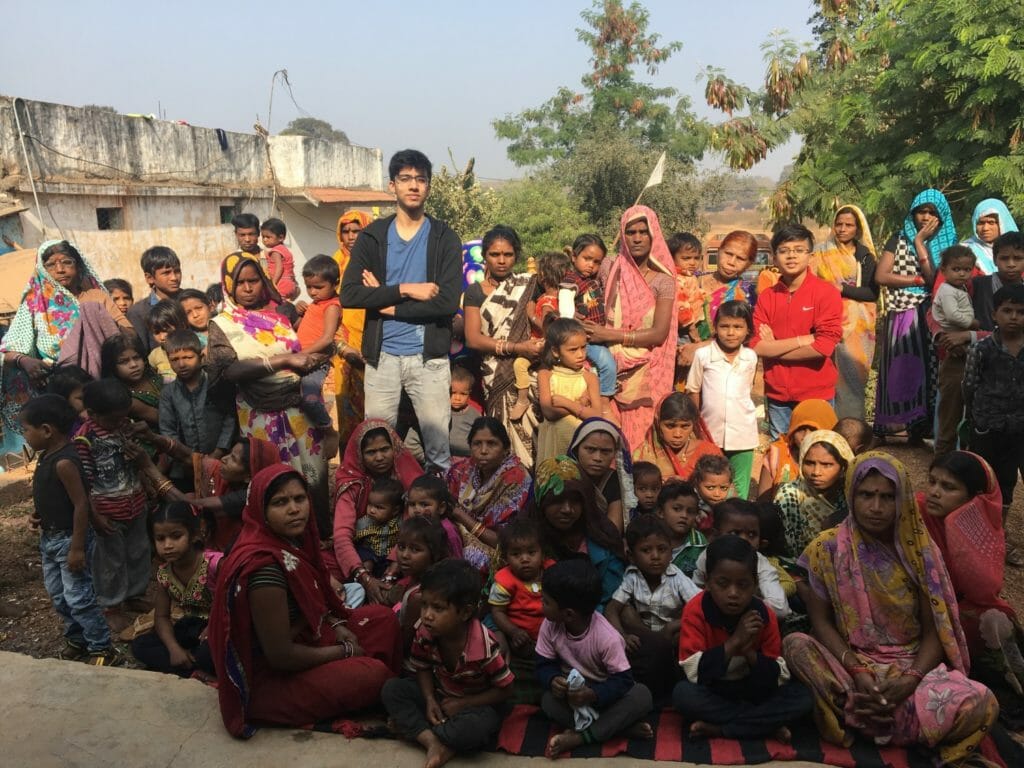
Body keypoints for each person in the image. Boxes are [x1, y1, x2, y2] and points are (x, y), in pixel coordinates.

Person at [783, 452, 999, 765]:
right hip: (850, 665)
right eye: (866, 495)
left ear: (902, 500)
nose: (876, 507)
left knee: (983, 702)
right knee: (795, 646)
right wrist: (857, 672)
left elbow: (935, 632)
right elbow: (821, 624)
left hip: (911, 668)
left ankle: (865, 716)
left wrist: (909, 680)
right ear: (851, 494)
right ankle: (883, 715)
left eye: (887, 497)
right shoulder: (825, 548)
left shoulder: (920, 552)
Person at [208, 464, 400, 738]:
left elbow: (315, 604)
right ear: (260, 510)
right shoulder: (265, 568)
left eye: (299, 499)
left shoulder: (293, 543)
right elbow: (280, 656)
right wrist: (344, 651)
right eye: (280, 502)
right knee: (373, 674)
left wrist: (335, 624)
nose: (294, 509)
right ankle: (366, 688)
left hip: (307, 638)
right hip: (272, 679)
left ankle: (361, 690)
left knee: (383, 619)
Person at [340, 149, 463, 474]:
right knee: (377, 451)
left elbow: (448, 302)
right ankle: (379, 520)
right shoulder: (373, 237)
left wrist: (389, 304)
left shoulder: (444, 237)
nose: (413, 186)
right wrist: (408, 289)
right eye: (406, 179)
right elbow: (350, 294)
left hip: (430, 359)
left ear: (429, 187)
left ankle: (441, 522)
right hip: (383, 357)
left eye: (420, 180)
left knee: (438, 453)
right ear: (392, 185)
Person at [206, 253, 330, 528]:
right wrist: (283, 361)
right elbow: (229, 370)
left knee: (313, 478)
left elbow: (303, 349)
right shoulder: (223, 324)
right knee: (270, 482)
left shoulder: (280, 316)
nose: (248, 288)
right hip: (258, 414)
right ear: (228, 285)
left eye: (254, 280)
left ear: (264, 281)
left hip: (299, 410)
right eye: (240, 282)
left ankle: (317, 541)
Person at [673, 536, 812, 741]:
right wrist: (735, 641)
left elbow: (778, 676)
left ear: (755, 585)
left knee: (803, 698)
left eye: (743, 585)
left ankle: (722, 729)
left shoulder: (764, 614)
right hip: (715, 688)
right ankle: (764, 725)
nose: (733, 593)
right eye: (723, 583)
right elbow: (694, 673)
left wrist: (749, 653)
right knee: (683, 695)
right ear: (708, 583)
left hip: (752, 688)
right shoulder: (696, 610)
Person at [0, 240, 133, 453]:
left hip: (104, 384)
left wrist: (96, 319)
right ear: (42, 269)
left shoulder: (96, 297)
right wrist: (26, 361)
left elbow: (128, 334)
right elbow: (7, 350)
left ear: (78, 266)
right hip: (60, 389)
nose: (60, 269)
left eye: (66, 262)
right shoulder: (35, 304)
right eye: (51, 264)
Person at [383, 559, 513, 768]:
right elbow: (422, 666)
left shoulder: (485, 646)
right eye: (424, 604)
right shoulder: (425, 632)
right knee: (392, 689)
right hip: (441, 696)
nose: (427, 615)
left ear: (465, 612)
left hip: (476, 704)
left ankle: (417, 731)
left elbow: (506, 691)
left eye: (438, 608)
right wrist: (429, 698)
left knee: (475, 728)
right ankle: (432, 741)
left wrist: (464, 704)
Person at [21, 394, 119, 665]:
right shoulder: (45, 457)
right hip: (49, 538)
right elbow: (55, 495)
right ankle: (77, 638)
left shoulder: (64, 462)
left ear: (46, 430)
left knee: (79, 597)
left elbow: (80, 503)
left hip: (68, 540)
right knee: (58, 594)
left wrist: (77, 548)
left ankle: (102, 647)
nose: (25, 435)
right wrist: (39, 514)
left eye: (26, 429)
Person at [535, 558, 654, 757]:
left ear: (569, 614)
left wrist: (593, 694)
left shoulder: (607, 638)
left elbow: (623, 681)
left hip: (605, 696)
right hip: (573, 700)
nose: (541, 606)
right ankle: (618, 728)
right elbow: (543, 664)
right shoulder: (549, 625)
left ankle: (580, 738)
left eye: (546, 602)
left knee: (642, 695)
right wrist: (552, 679)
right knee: (547, 700)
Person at [585, 205, 677, 450]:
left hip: (647, 374)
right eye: (630, 232)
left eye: (643, 232)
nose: (636, 238)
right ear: (622, 235)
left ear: (654, 234)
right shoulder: (610, 268)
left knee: (639, 448)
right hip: (607, 371)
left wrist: (609, 334)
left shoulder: (664, 281)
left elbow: (659, 333)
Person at [874, 189, 956, 439]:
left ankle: (922, 427)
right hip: (902, 312)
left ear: (941, 216)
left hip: (933, 313)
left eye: (932, 212)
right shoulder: (898, 239)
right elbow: (881, 275)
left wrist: (920, 244)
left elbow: (935, 281)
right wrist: (917, 278)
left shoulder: (949, 242)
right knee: (900, 368)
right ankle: (892, 425)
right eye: (922, 211)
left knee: (929, 370)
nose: (926, 217)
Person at [751, 224, 843, 438]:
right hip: (777, 394)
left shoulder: (825, 293)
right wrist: (803, 339)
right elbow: (757, 346)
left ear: (810, 256)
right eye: (784, 251)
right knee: (780, 457)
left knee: (818, 453)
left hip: (816, 393)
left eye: (799, 250)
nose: (791, 256)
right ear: (774, 258)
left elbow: (823, 348)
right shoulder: (767, 297)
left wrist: (774, 346)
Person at [462, 225, 544, 467]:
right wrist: (517, 348)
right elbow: (473, 339)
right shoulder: (475, 292)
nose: (501, 261)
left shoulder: (528, 285)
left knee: (535, 438)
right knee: (503, 441)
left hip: (529, 371)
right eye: (494, 255)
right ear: (485, 256)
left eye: (508, 255)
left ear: (516, 256)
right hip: (495, 374)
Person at [73, 380, 150, 616]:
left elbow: (137, 461)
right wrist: (94, 516)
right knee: (110, 561)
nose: (119, 422)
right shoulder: (85, 439)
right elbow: (83, 482)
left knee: (139, 551)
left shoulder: (125, 426)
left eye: (123, 417)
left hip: (135, 501)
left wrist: (147, 486)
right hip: (106, 510)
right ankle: (111, 605)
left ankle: (134, 595)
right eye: (113, 419)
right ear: (93, 414)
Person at [606, 515, 699, 700]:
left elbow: (701, 607)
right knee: (625, 612)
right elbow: (611, 609)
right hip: (646, 638)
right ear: (631, 556)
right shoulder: (632, 577)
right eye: (646, 550)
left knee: (683, 632)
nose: (655, 556)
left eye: (662, 549)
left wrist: (675, 625)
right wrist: (622, 637)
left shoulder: (676, 578)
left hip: (672, 638)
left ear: (671, 552)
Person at [964, 283, 1024, 563]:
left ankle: (998, 537)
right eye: (1007, 311)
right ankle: (974, 538)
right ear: (995, 313)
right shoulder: (982, 349)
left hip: (1018, 428)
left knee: (1008, 483)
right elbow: (970, 385)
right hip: (986, 426)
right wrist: (974, 420)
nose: (1014, 317)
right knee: (982, 480)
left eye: (1020, 312)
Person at [332, 419, 423, 603]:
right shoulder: (352, 484)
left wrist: (393, 569)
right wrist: (365, 578)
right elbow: (341, 535)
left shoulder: (408, 478)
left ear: (394, 448)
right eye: (371, 452)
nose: (379, 457)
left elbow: (417, 526)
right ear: (359, 455)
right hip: (362, 555)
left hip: (402, 554)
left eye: (384, 449)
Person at [131, 502, 218, 677]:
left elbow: (233, 606)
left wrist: (213, 628)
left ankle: (192, 667)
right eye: (160, 539)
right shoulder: (164, 573)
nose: (168, 545)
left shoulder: (215, 565)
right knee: (140, 645)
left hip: (218, 627)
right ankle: (194, 668)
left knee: (210, 653)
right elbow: (161, 616)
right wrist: (173, 648)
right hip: (191, 627)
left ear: (193, 535)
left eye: (176, 536)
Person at [810, 205, 879, 420]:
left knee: (852, 378)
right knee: (825, 375)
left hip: (858, 327)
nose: (842, 229)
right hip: (825, 319)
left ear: (857, 229)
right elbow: (811, 283)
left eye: (848, 225)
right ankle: (826, 423)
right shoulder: (821, 252)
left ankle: (852, 428)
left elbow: (872, 293)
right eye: (838, 224)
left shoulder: (865, 255)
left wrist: (843, 290)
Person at [532, 456, 626, 612]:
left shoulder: (603, 536)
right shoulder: (524, 539)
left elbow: (611, 596)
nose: (567, 509)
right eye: (557, 501)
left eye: (575, 501)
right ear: (542, 502)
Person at [686, 299, 758, 498]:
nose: (731, 332)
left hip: (743, 432)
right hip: (710, 431)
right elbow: (693, 389)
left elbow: (748, 388)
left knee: (739, 487)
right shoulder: (703, 355)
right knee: (708, 483)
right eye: (725, 326)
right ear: (715, 328)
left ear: (748, 330)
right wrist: (696, 426)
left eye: (738, 327)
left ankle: (736, 523)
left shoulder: (750, 357)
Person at [444, 417, 532, 574]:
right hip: (458, 537)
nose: (483, 450)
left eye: (492, 443)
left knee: (470, 558)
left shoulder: (516, 478)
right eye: (477, 444)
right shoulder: (460, 470)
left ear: (506, 448)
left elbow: (505, 541)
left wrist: (462, 516)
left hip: (503, 550)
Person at [158, 330, 237, 487]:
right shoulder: (168, 393)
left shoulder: (216, 383)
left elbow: (230, 417)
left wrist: (218, 452)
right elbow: (168, 431)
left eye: (188, 357)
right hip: (185, 466)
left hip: (221, 459)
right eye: (174, 359)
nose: (181, 364)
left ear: (201, 357)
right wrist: (187, 459)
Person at [693, 499, 790, 619]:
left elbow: (780, 608)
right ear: (715, 535)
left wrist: (741, 605)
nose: (744, 540)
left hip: (750, 622)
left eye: (752, 535)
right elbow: (693, 595)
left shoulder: (760, 564)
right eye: (734, 533)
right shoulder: (706, 557)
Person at [678, 230, 758, 370]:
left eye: (740, 259)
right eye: (728, 254)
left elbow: (743, 337)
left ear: (749, 264)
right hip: (679, 361)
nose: (731, 262)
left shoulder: (747, 293)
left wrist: (698, 348)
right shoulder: (691, 279)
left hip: (719, 370)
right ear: (719, 251)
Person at [774, 430, 854, 556]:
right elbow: (785, 549)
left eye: (826, 465)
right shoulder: (790, 496)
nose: (816, 472)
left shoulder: (851, 496)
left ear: (843, 467)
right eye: (809, 463)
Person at [330, 209, 372, 447]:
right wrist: (343, 347)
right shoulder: (334, 264)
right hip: (345, 350)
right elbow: (327, 306)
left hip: (376, 347)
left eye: (357, 230)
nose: (351, 236)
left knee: (378, 414)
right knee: (348, 412)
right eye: (345, 231)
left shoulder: (379, 262)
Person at [932, 245, 979, 453]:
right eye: (957, 269)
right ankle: (942, 465)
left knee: (969, 416)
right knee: (950, 415)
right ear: (944, 270)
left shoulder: (961, 288)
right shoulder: (947, 290)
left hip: (969, 349)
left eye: (967, 270)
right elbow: (950, 316)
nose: (962, 274)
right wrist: (972, 324)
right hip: (954, 354)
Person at [563, 233, 618, 413]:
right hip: (584, 338)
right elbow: (565, 309)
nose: (591, 265)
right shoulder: (571, 281)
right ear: (574, 257)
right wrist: (573, 322)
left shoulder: (590, 281)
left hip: (596, 336)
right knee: (608, 364)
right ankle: (604, 399)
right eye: (587, 259)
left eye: (596, 262)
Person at [509, 250, 567, 421]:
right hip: (554, 345)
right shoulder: (563, 297)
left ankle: (522, 399)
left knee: (519, 364)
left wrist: (531, 315)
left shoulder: (547, 300)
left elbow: (547, 326)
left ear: (542, 276)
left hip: (541, 343)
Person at [295, 254, 342, 458]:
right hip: (301, 359)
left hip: (315, 362)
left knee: (310, 399)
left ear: (335, 284)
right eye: (309, 287)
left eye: (318, 287)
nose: (313, 292)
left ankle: (329, 431)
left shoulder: (331, 306)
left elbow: (326, 339)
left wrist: (299, 354)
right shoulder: (316, 303)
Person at [537, 318, 601, 464]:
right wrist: (580, 404)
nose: (580, 354)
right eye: (573, 350)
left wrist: (566, 403)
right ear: (555, 351)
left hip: (581, 445)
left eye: (583, 347)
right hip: (553, 446)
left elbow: (597, 415)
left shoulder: (590, 378)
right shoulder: (546, 375)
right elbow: (549, 412)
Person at [488, 519, 553, 656]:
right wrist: (513, 631)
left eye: (531, 552)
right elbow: (497, 612)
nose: (524, 559)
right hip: (522, 638)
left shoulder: (552, 571)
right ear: (506, 558)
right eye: (516, 554)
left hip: (553, 634)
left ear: (542, 554)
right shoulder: (504, 582)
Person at [757, 399, 838, 501]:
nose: (806, 436)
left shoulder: (838, 460)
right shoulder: (777, 455)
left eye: (814, 430)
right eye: (801, 429)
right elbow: (762, 503)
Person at [634, 392, 723, 485]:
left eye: (685, 426)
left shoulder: (709, 453)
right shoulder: (644, 455)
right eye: (670, 426)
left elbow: (725, 491)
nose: (677, 434)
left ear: (694, 424)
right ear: (658, 423)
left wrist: (688, 485)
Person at [569, 417, 636, 535]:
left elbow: (613, 530)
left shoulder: (616, 481)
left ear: (615, 453)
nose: (597, 458)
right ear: (576, 449)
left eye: (605, 451)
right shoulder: (565, 478)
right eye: (590, 449)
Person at [391, 516, 449, 649]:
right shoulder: (411, 578)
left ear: (434, 554)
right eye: (401, 547)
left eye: (415, 549)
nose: (405, 555)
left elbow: (404, 644)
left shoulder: (419, 596)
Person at [100, 328, 162, 429]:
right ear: (112, 366)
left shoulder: (153, 377)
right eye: (124, 362)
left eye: (136, 358)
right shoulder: (127, 399)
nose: (133, 365)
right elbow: (163, 419)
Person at [126, 246, 183, 351]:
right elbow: (141, 352)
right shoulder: (139, 312)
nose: (174, 278)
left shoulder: (189, 303)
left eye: (177, 271)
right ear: (150, 278)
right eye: (166, 273)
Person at [970, 231, 1024, 332]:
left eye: (1017, 258)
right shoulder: (977, 285)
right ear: (995, 259)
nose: (1011, 264)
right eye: (1004, 258)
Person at [404, 473, 463, 560]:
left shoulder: (448, 532)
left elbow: (456, 563)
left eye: (424, 505)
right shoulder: (412, 526)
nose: (416, 510)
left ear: (441, 508)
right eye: (412, 504)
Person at [354, 477, 404, 578]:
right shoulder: (364, 523)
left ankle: (388, 579)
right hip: (371, 553)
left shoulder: (399, 523)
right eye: (370, 505)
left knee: (396, 562)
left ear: (395, 510)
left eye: (379, 507)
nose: (372, 510)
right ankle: (367, 578)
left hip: (388, 556)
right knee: (365, 557)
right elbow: (351, 536)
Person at [657, 481, 706, 577]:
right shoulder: (648, 539)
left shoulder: (700, 545)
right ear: (661, 512)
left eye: (690, 512)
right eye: (677, 509)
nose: (684, 515)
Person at [961, 198, 1019, 276]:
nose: (985, 228)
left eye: (991, 222)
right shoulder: (965, 251)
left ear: (1002, 223)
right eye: (981, 223)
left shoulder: (1019, 248)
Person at [667, 232, 705, 349]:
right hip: (685, 332)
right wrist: (694, 334)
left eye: (696, 258)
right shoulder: (678, 279)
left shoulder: (688, 276)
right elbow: (682, 309)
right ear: (672, 258)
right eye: (686, 258)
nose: (692, 263)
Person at [146, 298, 190, 383]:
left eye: (166, 330)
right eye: (156, 332)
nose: (162, 337)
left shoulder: (195, 348)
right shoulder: (155, 355)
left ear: (182, 325)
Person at [260, 217, 299, 301]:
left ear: (281, 238)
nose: (264, 240)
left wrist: (273, 283)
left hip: (281, 282)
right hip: (290, 283)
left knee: (277, 304)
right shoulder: (284, 249)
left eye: (268, 237)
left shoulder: (276, 251)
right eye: (263, 237)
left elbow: (279, 267)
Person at [691, 454, 735, 527]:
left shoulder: (730, 504)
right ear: (697, 484)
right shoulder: (691, 504)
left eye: (723, 488)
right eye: (710, 488)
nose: (717, 494)